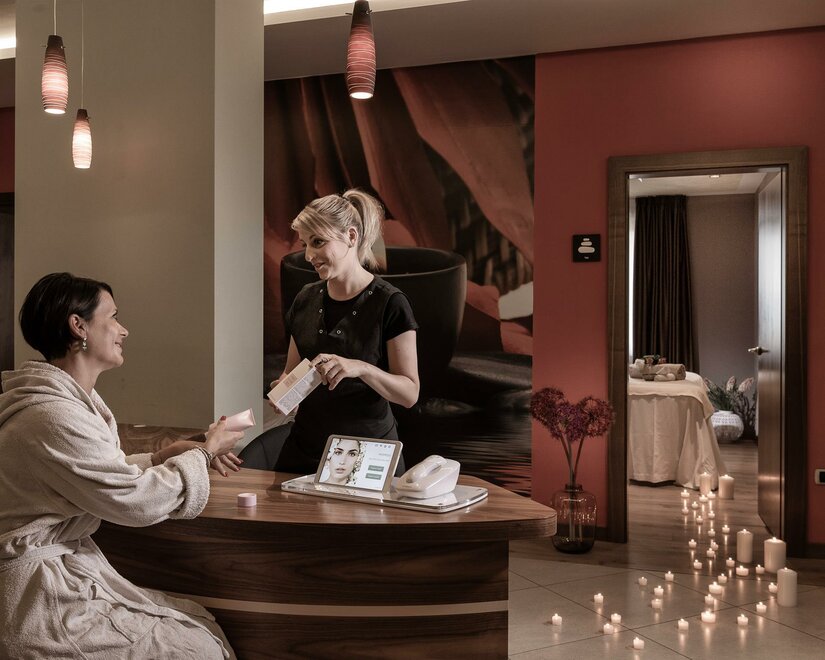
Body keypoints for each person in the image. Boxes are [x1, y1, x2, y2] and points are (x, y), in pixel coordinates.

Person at [0, 273, 243, 659]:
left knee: (198, 625)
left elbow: (92, 472)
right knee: (197, 649)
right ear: (78, 326)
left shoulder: (60, 404)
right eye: (113, 317)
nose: (123, 329)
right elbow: (134, 501)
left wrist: (162, 457)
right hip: (39, 602)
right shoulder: (52, 415)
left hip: (55, 578)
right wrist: (203, 453)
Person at [240, 189, 419, 474]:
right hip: (304, 451)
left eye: (318, 242)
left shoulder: (390, 303)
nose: (309, 255)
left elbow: (409, 393)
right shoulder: (305, 299)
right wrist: (286, 392)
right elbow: (291, 372)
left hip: (367, 456)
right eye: (305, 244)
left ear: (351, 236)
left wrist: (360, 368)